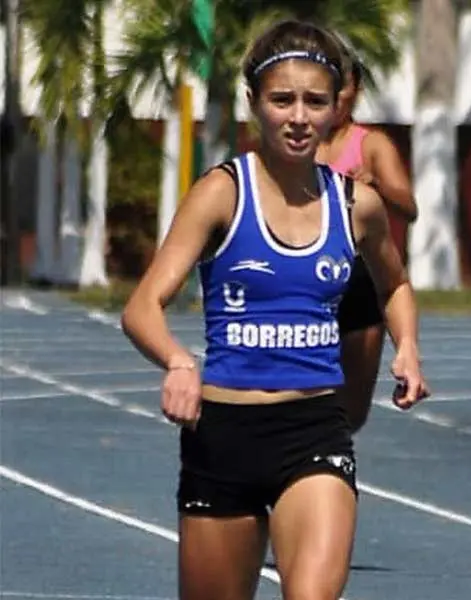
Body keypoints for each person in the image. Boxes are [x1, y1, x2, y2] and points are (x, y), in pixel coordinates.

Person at [120, 19, 429, 600]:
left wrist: (407, 347)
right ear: (254, 103)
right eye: (282, 100)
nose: (299, 117)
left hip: (314, 430)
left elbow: (394, 284)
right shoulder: (221, 193)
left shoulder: (356, 205)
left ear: (337, 108)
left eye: (315, 102)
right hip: (223, 435)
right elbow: (142, 307)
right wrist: (178, 362)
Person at [315, 48, 418, 433]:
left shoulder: (371, 144)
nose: (333, 97)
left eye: (342, 88)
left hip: (360, 279)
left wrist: (376, 185)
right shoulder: (299, 143)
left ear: (355, 91)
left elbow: (409, 207)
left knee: (351, 414)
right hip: (309, 279)